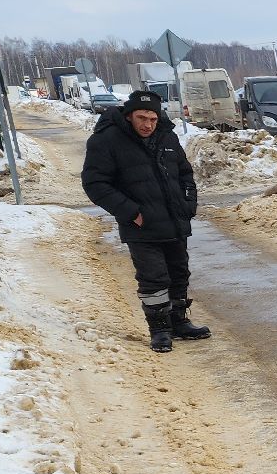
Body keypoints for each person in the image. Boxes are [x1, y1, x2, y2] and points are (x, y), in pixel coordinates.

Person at [80, 89, 210, 352]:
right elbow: (95, 184)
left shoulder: (167, 136)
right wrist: (131, 213)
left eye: (152, 119)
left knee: (179, 274)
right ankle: (160, 330)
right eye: (142, 118)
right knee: (153, 278)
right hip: (141, 226)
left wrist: (188, 204)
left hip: (174, 221)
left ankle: (178, 322)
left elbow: (185, 173)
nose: (148, 124)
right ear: (129, 116)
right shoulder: (106, 140)